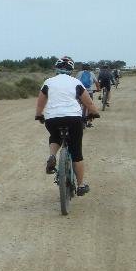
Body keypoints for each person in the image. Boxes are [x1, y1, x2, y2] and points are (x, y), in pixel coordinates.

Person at [35, 56, 99, 196]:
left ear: (56, 69)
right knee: (76, 152)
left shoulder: (48, 82)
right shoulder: (76, 82)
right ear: (71, 70)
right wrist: (94, 113)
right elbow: (88, 102)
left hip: (52, 118)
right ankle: (81, 185)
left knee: (55, 136)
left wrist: (39, 115)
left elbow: (40, 102)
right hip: (73, 118)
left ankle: (52, 156)